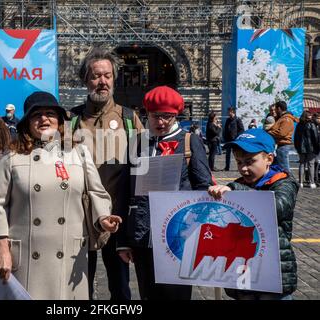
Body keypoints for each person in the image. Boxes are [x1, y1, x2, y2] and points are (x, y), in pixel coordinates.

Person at [0, 91, 122, 299]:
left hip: (70, 257)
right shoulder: (12, 159)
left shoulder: (79, 153)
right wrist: (2, 251)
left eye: (50, 113)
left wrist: (103, 218)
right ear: (26, 123)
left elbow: (97, 192)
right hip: (26, 259)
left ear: (59, 121)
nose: (43, 119)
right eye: (36, 115)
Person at [118, 86, 212, 300]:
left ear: (176, 115)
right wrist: (122, 240)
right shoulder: (136, 143)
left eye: (167, 117)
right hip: (143, 236)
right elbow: (124, 190)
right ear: (147, 114)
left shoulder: (189, 141)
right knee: (147, 294)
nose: (160, 122)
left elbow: (203, 186)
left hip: (177, 236)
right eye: (155, 116)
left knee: (176, 295)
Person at [70, 47, 144, 300]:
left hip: (117, 218)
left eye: (108, 76)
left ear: (114, 78)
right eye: (96, 76)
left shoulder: (130, 119)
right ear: (85, 80)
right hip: (80, 219)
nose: (102, 82)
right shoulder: (71, 121)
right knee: (80, 289)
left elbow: (143, 168)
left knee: (122, 290)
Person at [208, 128, 299, 300]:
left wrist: (235, 191)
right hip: (242, 270)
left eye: (250, 161)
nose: (243, 168)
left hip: (272, 271)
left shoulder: (284, 182)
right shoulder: (238, 185)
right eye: (239, 161)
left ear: (269, 159)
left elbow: (276, 206)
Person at [267, 101, 298, 172]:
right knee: (278, 167)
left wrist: (269, 132)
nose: (274, 111)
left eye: (275, 109)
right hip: (279, 145)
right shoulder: (282, 118)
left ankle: (291, 182)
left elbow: (281, 133)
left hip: (283, 145)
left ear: (279, 108)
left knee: (284, 168)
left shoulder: (286, 119)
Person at [294, 111, 319, 188]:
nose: (311, 117)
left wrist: (297, 147)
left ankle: (300, 182)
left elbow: (296, 137)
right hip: (311, 148)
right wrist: (317, 147)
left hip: (301, 148)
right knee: (311, 165)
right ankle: (312, 183)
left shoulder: (299, 125)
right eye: (310, 115)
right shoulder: (312, 124)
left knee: (302, 164)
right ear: (308, 116)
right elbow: (315, 137)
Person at [314, 113, 320, 185]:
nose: (318, 119)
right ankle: (315, 179)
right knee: (316, 163)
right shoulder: (313, 126)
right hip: (315, 148)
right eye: (318, 118)